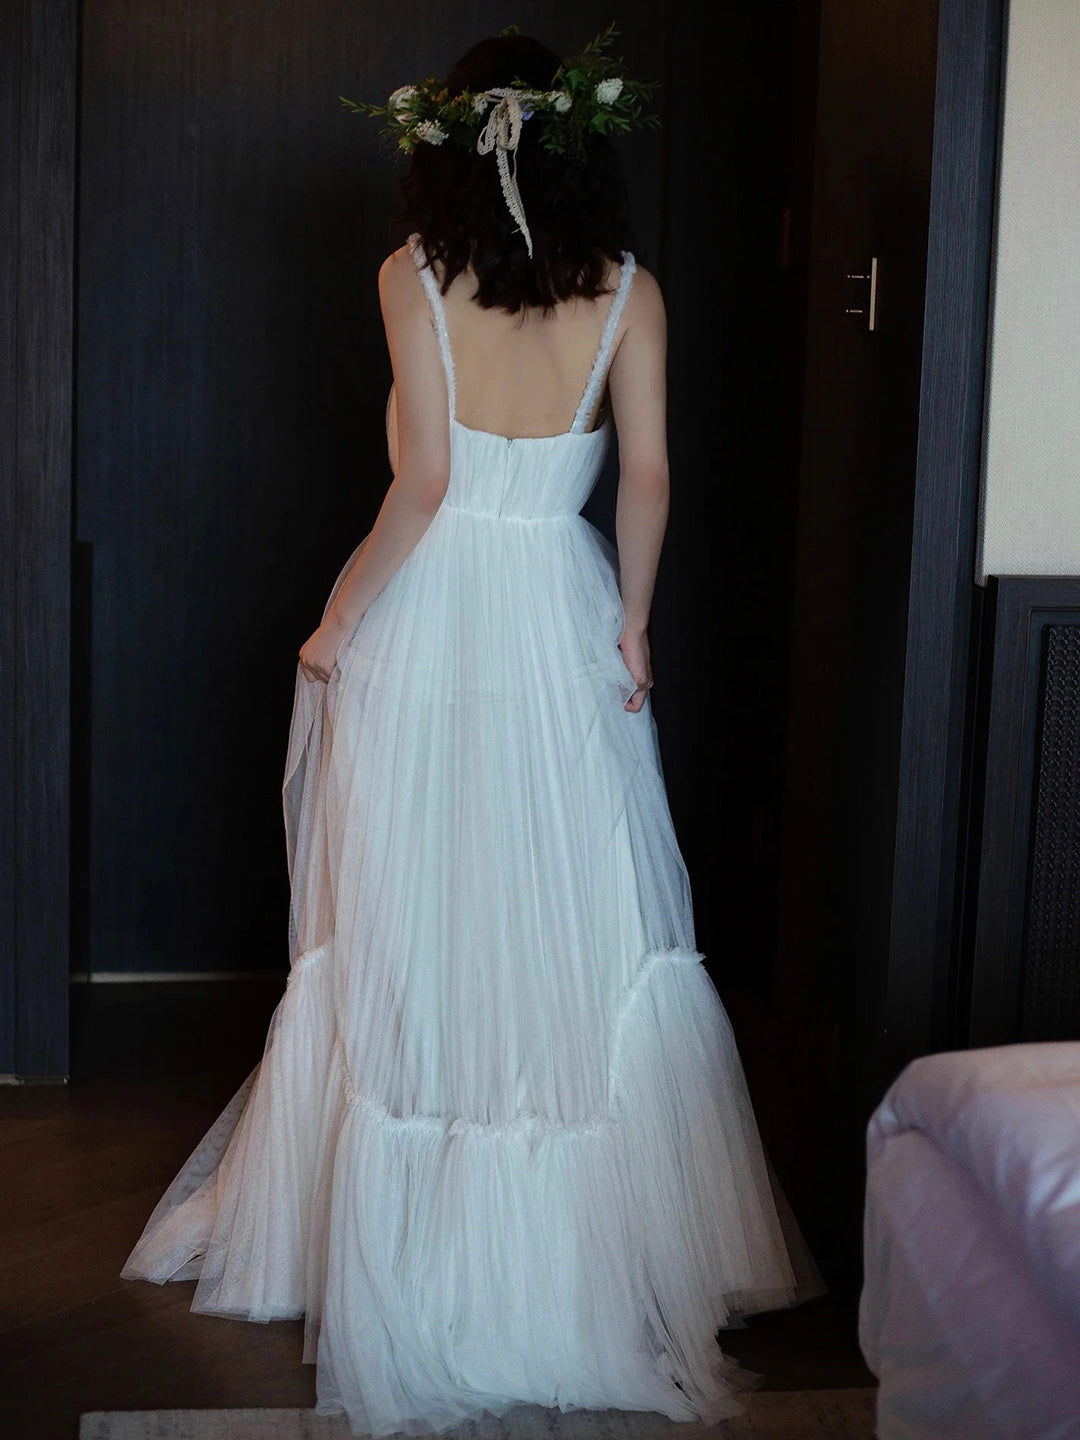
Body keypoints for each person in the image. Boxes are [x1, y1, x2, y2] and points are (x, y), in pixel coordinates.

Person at [121, 27, 823, 1439]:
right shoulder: (632, 291)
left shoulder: (412, 277)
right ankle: (574, 1257)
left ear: (447, 149)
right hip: (562, 609)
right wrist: (635, 625)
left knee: (421, 913)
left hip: (435, 618)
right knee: (566, 919)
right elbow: (651, 476)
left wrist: (336, 619)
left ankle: (418, 1252)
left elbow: (428, 480)